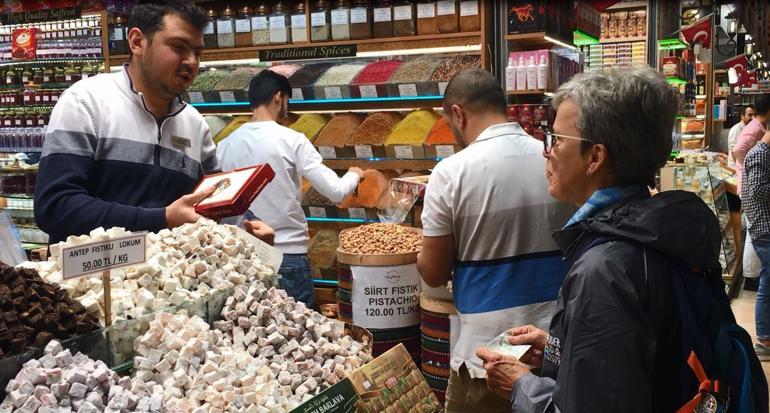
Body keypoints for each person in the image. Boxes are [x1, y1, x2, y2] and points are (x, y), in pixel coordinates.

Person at [475, 66, 757, 412]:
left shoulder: (605, 268)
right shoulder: (662, 230)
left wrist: (520, 385)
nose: (546, 152)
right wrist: (559, 346)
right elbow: (644, 359)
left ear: (595, 157)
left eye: (557, 140)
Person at [33, 2, 269, 245]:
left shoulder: (194, 123)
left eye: (198, 53)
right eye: (179, 47)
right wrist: (161, 219)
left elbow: (217, 197)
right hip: (90, 278)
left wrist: (247, 222)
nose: (192, 62)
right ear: (137, 42)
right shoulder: (87, 102)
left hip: (171, 279)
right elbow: (55, 206)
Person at [417, 69, 573, 413]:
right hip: (554, 350)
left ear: (458, 113)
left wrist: (422, 253)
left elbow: (433, 273)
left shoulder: (450, 173)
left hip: (486, 357)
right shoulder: (557, 160)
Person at [216, 70, 364, 307]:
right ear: (278, 97)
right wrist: (354, 174)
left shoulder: (223, 146)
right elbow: (336, 191)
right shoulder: (292, 139)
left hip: (241, 258)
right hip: (287, 256)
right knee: (297, 337)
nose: (287, 109)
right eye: (287, 102)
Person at [742, 129, 770, 360]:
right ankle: (764, 339)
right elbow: (759, 190)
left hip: (763, 227)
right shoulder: (760, 154)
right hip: (765, 228)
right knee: (767, 284)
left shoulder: (762, 153)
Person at [732, 94, 770, 195]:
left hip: (752, 184)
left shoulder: (760, 126)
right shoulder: (754, 129)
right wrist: (751, 165)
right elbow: (738, 150)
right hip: (750, 186)